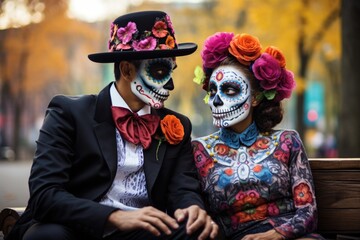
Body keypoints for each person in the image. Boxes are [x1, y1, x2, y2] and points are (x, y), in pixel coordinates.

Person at [6, 11, 218, 240]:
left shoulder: (177, 125)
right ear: (126, 70)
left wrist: (192, 208)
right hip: (76, 228)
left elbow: (183, 189)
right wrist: (113, 216)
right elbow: (44, 195)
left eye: (171, 71)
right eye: (159, 72)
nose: (171, 84)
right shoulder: (68, 113)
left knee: (200, 233)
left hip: (143, 233)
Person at [192, 32, 324, 239]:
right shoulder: (198, 150)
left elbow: (308, 213)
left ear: (254, 98)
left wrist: (275, 235)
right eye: (212, 91)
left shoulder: (287, 141)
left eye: (230, 90)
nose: (216, 100)